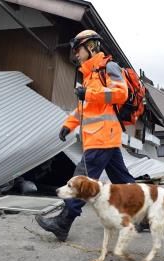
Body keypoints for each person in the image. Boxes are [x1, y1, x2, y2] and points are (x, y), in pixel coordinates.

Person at [35, 30, 137, 242]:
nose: (76, 54)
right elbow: (84, 110)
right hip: (101, 138)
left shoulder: (109, 67)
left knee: (80, 181)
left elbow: (121, 93)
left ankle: (63, 223)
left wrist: (89, 94)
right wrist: (68, 125)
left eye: (78, 49)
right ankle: (144, 216)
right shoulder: (89, 75)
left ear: (91, 47)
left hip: (102, 137)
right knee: (123, 180)